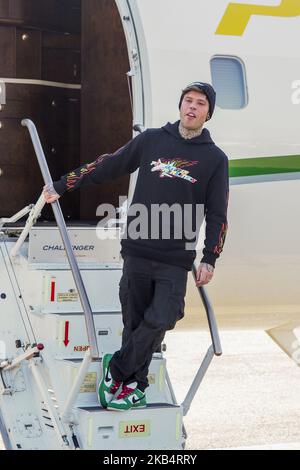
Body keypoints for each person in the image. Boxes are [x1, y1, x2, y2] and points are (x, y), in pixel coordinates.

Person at [43, 81, 229, 412]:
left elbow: (218, 214)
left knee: (163, 317)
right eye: (188, 100)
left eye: (200, 103)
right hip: (138, 251)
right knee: (133, 323)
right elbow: (108, 165)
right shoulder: (152, 140)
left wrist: (209, 258)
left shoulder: (215, 159)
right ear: (180, 105)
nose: (192, 107)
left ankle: (116, 370)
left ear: (208, 113)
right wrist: (63, 184)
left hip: (175, 258)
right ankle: (135, 386)